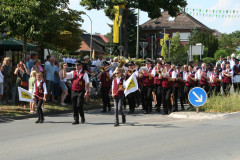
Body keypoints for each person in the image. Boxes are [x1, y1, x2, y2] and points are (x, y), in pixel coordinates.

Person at [65, 60, 90, 125]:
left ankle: (82, 116)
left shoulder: (84, 73)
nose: (76, 66)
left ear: (81, 66)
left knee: (79, 105)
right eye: (76, 65)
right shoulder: (73, 72)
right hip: (73, 90)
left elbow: (87, 83)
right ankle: (76, 119)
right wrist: (64, 68)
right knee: (74, 105)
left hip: (81, 91)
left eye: (78, 65)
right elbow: (65, 76)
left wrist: (87, 91)